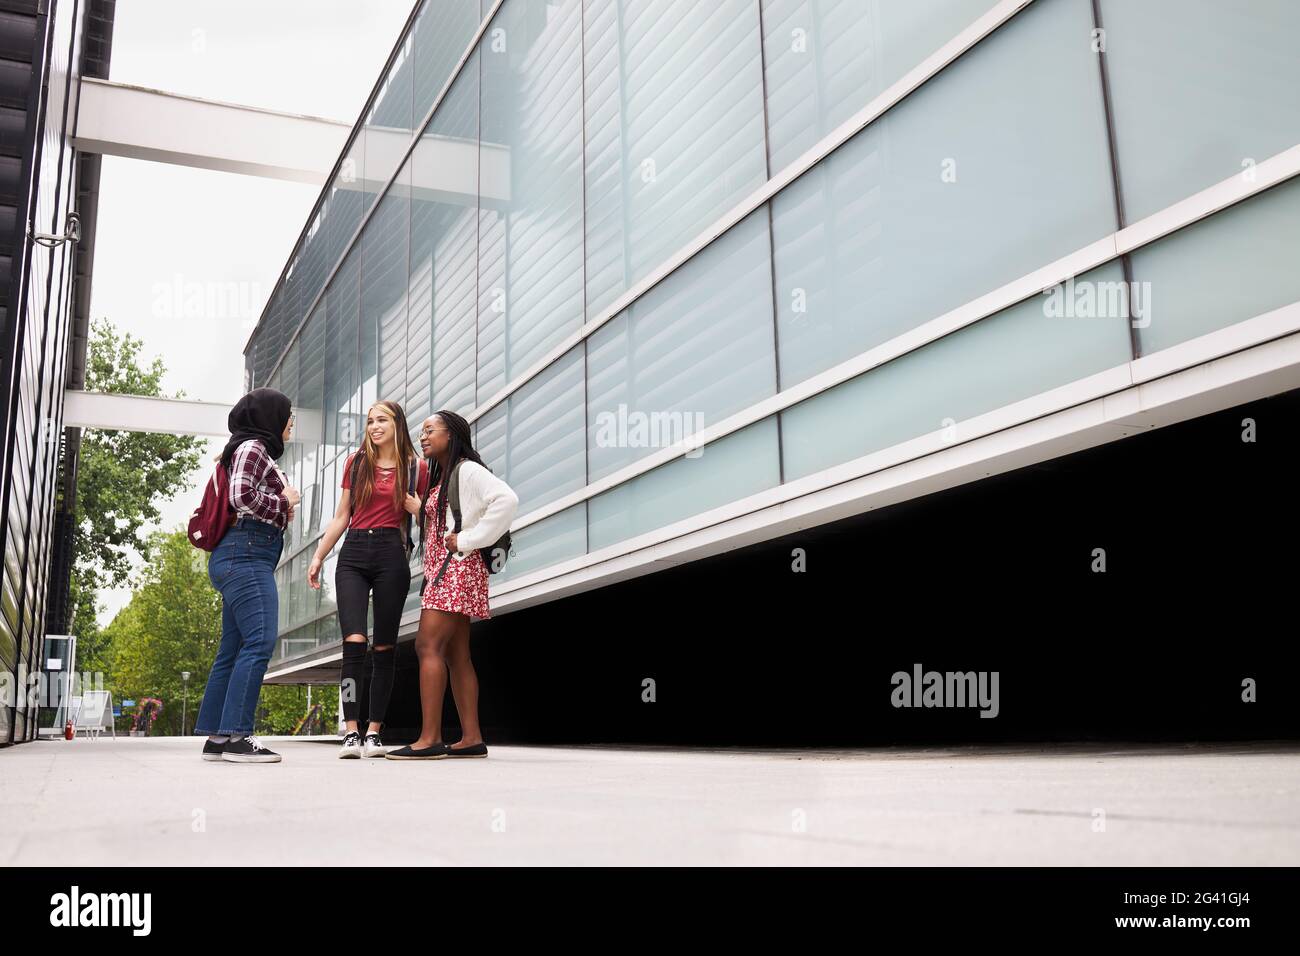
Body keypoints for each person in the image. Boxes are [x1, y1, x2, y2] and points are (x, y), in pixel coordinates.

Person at [386, 411, 517, 760]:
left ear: (452, 434)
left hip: (456, 570)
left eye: (430, 430)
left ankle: (429, 739)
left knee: (427, 646)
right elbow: (452, 519)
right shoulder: (445, 474)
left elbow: (507, 500)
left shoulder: (468, 469)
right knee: (457, 655)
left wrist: (470, 539)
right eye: (421, 431)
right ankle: (471, 738)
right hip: (452, 569)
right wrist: (421, 512)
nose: (423, 436)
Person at [308, 401, 428, 758]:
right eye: (370, 421)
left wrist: (418, 510)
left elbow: (429, 521)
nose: (374, 427)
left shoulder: (415, 468)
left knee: (385, 647)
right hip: (354, 554)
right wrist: (318, 556)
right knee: (355, 642)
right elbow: (342, 516)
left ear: (397, 424)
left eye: (382, 420)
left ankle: (374, 732)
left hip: (392, 554)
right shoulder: (357, 463)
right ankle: (351, 731)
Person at [196, 387, 299, 764]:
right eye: (288, 415)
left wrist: (279, 507)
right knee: (259, 642)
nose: (291, 422)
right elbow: (241, 497)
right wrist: (285, 500)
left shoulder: (244, 449)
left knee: (233, 648)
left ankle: (219, 738)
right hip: (247, 553)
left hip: (240, 554)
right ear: (270, 417)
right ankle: (239, 736)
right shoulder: (254, 448)